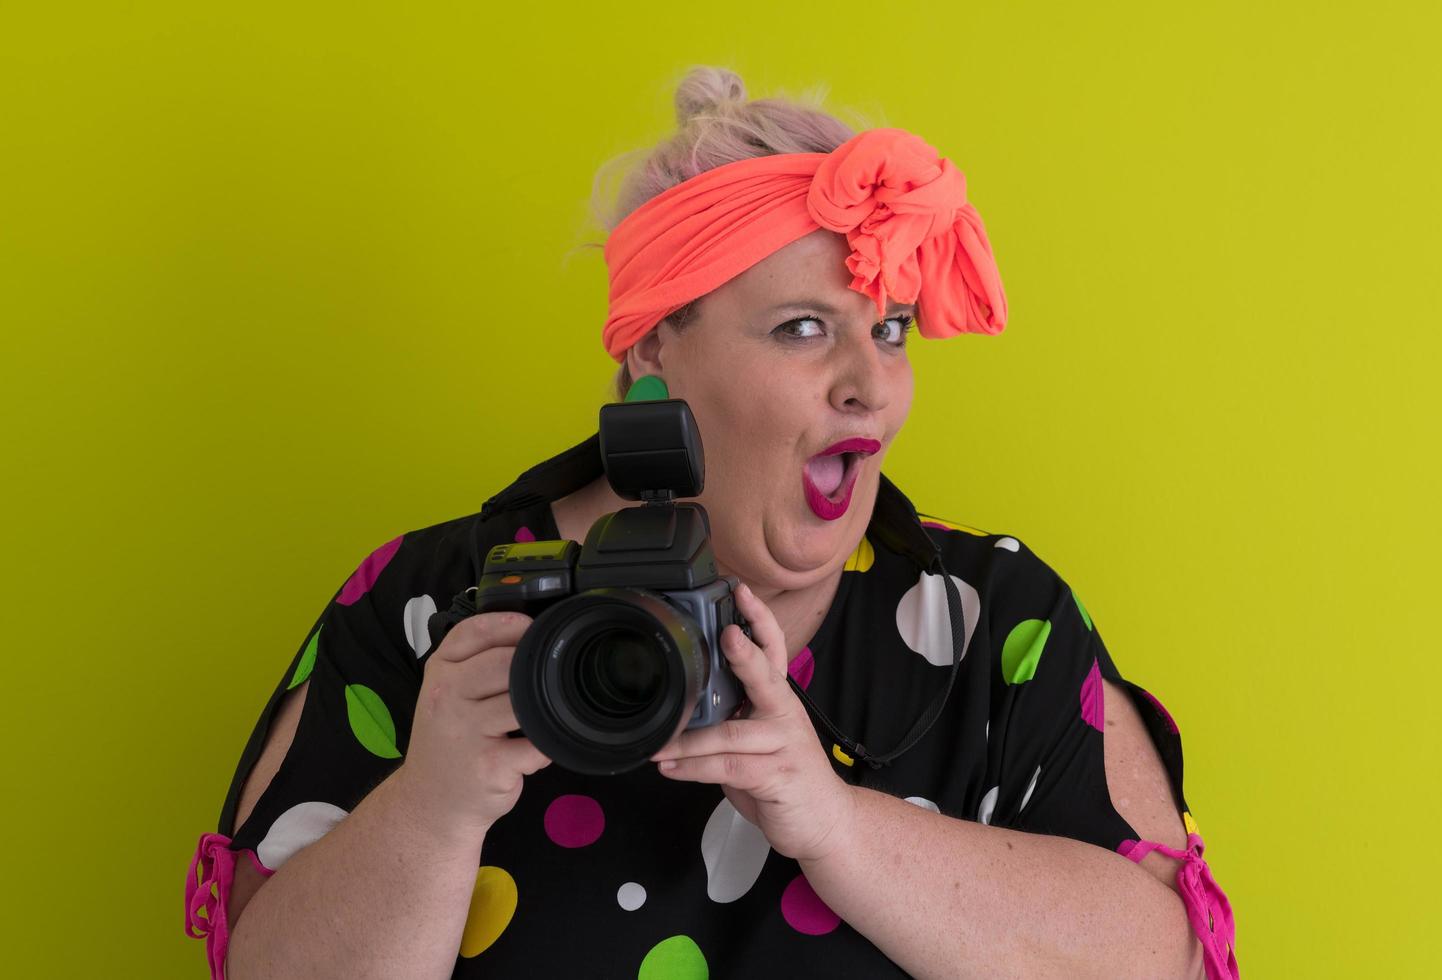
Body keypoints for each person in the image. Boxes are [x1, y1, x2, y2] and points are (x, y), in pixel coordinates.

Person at [185, 66, 1236, 979]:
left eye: (891, 329)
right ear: (652, 350)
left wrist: (832, 822)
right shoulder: (433, 604)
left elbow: (1164, 958)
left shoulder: (990, 621)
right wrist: (433, 804)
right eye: (803, 328)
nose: (871, 382)